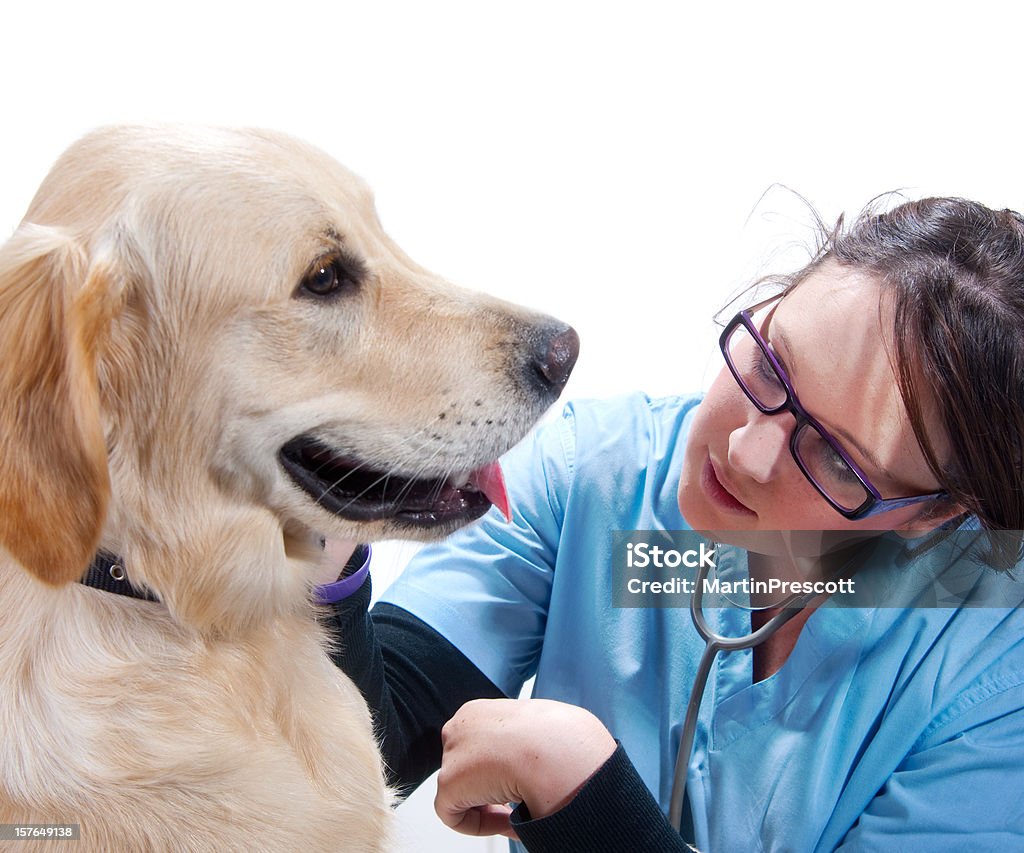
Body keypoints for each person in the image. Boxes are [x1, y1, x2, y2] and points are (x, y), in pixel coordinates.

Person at [322, 196, 1024, 851]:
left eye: (837, 458)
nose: (747, 450)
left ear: (935, 510)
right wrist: (330, 509)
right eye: (773, 363)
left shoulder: (997, 670)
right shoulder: (594, 476)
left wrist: (583, 792)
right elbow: (357, 745)